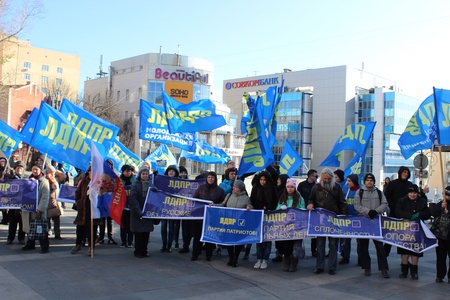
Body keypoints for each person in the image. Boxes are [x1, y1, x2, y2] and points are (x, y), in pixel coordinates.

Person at [307, 167, 347, 275]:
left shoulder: (337, 187)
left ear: (332, 178)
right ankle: (319, 266)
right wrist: (310, 204)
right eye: (325, 179)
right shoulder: (316, 187)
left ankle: (332, 267)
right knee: (320, 243)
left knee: (333, 244)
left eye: (329, 179)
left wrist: (342, 217)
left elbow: (342, 203)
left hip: (334, 218)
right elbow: (311, 198)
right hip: (320, 219)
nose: (326, 181)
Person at [354, 173, 390, 278]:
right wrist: (367, 211)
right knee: (363, 247)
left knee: (380, 247)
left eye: (371, 180)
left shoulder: (379, 192)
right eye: (368, 180)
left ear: (374, 182)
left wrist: (376, 211)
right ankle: (366, 267)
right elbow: (357, 205)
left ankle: (383, 268)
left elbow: (385, 204)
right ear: (365, 182)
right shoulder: (360, 192)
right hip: (364, 222)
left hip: (376, 222)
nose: (369, 182)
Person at [395, 184, 431, 280]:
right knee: (404, 250)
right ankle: (404, 270)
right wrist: (410, 215)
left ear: (417, 193)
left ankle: (414, 271)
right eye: (411, 192)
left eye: (414, 193)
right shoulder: (402, 201)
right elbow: (398, 212)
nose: (412, 194)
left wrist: (419, 214)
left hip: (417, 231)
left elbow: (428, 213)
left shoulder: (422, 202)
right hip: (404, 230)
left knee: (415, 251)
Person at [214, 180, 252, 267]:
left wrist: (249, 207)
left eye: (235, 186)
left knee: (238, 241)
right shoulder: (229, 195)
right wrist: (214, 206)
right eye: (234, 186)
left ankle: (236, 257)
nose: (233, 188)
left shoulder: (246, 198)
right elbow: (223, 205)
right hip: (229, 222)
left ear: (240, 188)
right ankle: (231, 257)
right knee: (229, 241)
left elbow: (250, 205)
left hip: (239, 223)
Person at [191, 171, 225, 261]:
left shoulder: (220, 190)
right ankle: (195, 254)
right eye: (209, 177)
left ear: (215, 179)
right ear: (206, 178)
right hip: (200, 217)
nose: (210, 179)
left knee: (210, 237)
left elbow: (223, 203)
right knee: (197, 237)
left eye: (212, 177)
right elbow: (195, 200)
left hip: (212, 218)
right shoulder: (201, 188)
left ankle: (208, 255)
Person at [71, 167, 102, 255]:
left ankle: (91, 247)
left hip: (94, 209)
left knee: (92, 229)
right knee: (80, 228)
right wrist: (78, 202)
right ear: (88, 172)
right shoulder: (84, 181)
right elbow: (77, 193)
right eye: (91, 172)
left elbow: (103, 195)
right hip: (83, 209)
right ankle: (78, 244)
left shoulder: (99, 182)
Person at [276, 178, 305, 272]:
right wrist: (281, 207)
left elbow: (302, 209)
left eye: (292, 187)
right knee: (286, 245)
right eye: (288, 187)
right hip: (285, 226)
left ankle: (294, 263)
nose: (290, 189)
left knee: (295, 245)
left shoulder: (299, 198)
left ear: (295, 188)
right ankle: (286, 261)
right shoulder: (282, 197)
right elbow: (277, 208)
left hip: (296, 226)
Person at [250, 171, 277, 269]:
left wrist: (268, 207)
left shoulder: (271, 189)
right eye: (261, 180)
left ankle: (265, 259)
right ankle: (259, 258)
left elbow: (274, 201)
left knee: (267, 238)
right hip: (258, 215)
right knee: (259, 238)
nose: (262, 182)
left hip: (269, 216)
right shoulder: (256, 188)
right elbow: (252, 200)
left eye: (264, 180)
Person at [21, 162, 50, 253]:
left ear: (41, 170)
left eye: (36, 169)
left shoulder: (44, 182)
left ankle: (44, 246)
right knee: (30, 226)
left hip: (37, 209)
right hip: (28, 208)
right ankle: (30, 243)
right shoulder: (28, 180)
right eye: (33, 169)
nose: (34, 171)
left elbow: (45, 197)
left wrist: (40, 209)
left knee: (40, 227)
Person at [383, 166, 412, 256]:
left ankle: (404, 259)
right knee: (391, 236)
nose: (405, 174)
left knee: (404, 236)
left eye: (407, 173)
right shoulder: (392, 184)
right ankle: (384, 256)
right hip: (394, 213)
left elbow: (414, 197)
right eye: (404, 172)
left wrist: (422, 193)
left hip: (406, 214)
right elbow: (386, 197)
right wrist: (394, 207)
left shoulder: (409, 185)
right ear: (400, 173)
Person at [129, 165, 155, 258]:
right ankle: (138, 251)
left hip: (147, 213)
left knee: (146, 234)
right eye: (143, 174)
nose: (145, 175)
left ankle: (144, 250)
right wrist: (138, 210)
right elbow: (132, 198)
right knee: (139, 234)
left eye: (146, 174)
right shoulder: (136, 185)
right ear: (140, 175)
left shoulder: (150, 185)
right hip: (138, 214)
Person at [339, 174, 360, 265]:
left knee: (360, 240)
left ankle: (361, 258)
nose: (347, 183)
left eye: (349, 181)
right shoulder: (344, 189)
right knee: (346, 240)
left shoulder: (360, 190)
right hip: (347, 217)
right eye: (347, 181)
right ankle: (345, 257)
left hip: (358, 218)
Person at [97, 159, 118, 245]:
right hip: (102, 200)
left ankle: (110, 237)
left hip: (111, 202)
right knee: (102, 220)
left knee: (110, 221)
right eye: (107, 165)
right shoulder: (100, 176)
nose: (108, 166)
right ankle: (101, 237)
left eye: (110, 165)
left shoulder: (115, 176)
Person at [297, 169, 318, 257]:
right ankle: (299, 248)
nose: (316, 177)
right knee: (301, 230)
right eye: (315, 176)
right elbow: (298, 196)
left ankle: (314, 250)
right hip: (303, 210)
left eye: (316, 176)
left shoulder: (317, 186)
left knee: (314, 231)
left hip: (313, 210)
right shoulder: (302, 185)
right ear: (309, 176)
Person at [432, 186, 450, 283]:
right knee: (440, 256)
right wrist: (441, 208)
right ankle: (440, 275)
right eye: (445, 195)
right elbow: (433, 212)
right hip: (440, 235)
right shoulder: (441, 203)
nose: (446, 197)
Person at [5, 161, 26, 245]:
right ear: (15, 169)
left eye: (21, 168)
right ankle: (10, 238)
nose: (19, 169)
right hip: (13, 204)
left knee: (22, 223)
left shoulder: (26, 179)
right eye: (18, 168)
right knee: (12, 223)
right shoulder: (10, 178)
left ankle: (21, 238)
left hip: (23, 204)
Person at [161, 165, 180, 252]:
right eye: (169, 171)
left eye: (173, 171)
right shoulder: (163, 181)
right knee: (163, 226)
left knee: (172, 227)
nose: (171, 172)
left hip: (173, 207)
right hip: (164, 207)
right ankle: (164, 244)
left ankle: (169, 245)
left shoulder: (179, 182)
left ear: (176, 173)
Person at [272, 173, 289, 262]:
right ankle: (279, 253)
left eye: (279, 179)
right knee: (277, 236)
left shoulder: (285, 191)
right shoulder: (275, 189)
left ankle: (285, 254)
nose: (277, 181)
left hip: (285, 218)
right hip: (277, 216)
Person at [45, 165, 63, 240]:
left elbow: (63, 177)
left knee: (56, 219)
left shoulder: (55, 178)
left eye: (53, 173)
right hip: (48, 201)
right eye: (50, 172)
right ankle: (47, 231)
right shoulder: (45, 179)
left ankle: (57, 233)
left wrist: (57, 172)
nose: (52, 174)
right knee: (47, 218)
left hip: (55, 202)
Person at [119, 164, 136, 248]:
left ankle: (130, 241)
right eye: (126, 171)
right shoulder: (120, 180)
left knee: (131, 224)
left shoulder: (134, 180)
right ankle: (123, 241)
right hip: (122, 206)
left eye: (129, 171)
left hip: (132, 206)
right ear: (123, 172)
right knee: (123, 224)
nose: (128, 172)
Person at [179, 166, 193, 254]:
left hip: (191, 210)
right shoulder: (176, 182)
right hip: (182, 210)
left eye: (184, 172)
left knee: (191, 230)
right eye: (181, 172)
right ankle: (185, 245)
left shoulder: (191, 183)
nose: (183, 174)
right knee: (185, 229)